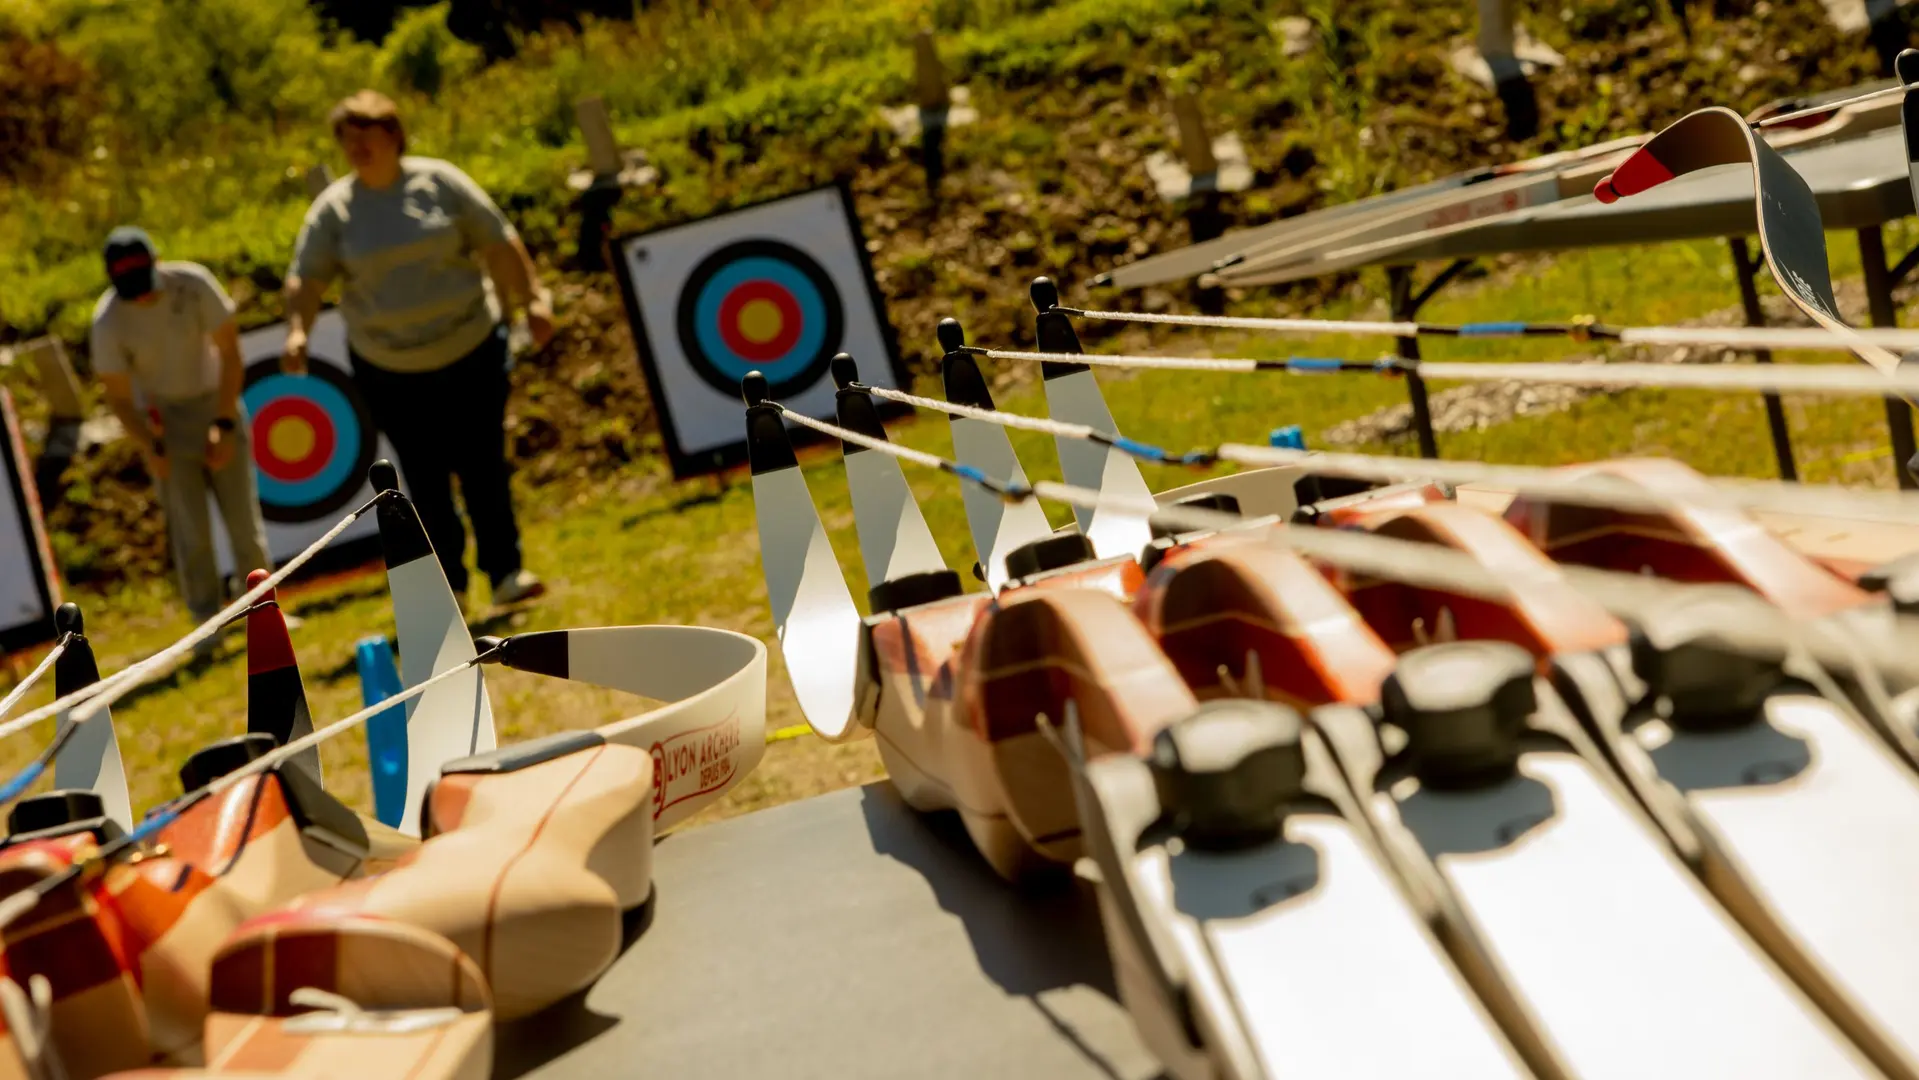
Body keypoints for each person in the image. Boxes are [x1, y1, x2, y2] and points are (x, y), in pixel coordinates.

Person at [282, 89, 552, 610]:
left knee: (484, 465)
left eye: (369, 133)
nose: (358, 145)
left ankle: (506, 573)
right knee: (425, 479)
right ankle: (448, 587)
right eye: (348, 136)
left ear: (395, 135)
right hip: (391, 368)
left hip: (471, 348)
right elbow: (306, 279)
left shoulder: (441, 182)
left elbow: (499, 241)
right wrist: (298, 330)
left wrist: (533, 300)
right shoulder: (334, 210)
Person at [90, 227, 278, 655]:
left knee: (244, 524)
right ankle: (205, 625)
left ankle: (264, 611)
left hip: (217, 400)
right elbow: (119, 397)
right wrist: (150, 445)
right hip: (165, 423)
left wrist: (224, 423)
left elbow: (230, 354)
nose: (138, 296)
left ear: (157, 264)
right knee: (191, 532)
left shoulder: (192, 284)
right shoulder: (108, 320)